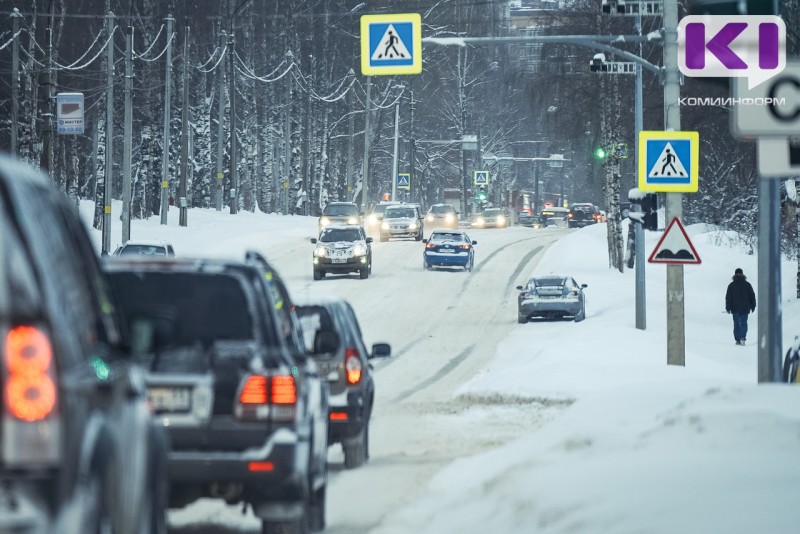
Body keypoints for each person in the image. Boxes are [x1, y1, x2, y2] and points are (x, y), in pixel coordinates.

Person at [725, 268, 756, 345]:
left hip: (735, 308)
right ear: (742, 274)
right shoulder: (747, 285)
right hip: (745, 308)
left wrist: (728, 308)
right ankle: (742, 337)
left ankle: (738, 340)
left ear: (735, 274)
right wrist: (753, 306)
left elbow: (728, 298)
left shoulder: (731, 285)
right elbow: (752, 296)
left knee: (736, 324)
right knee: (744, 323)